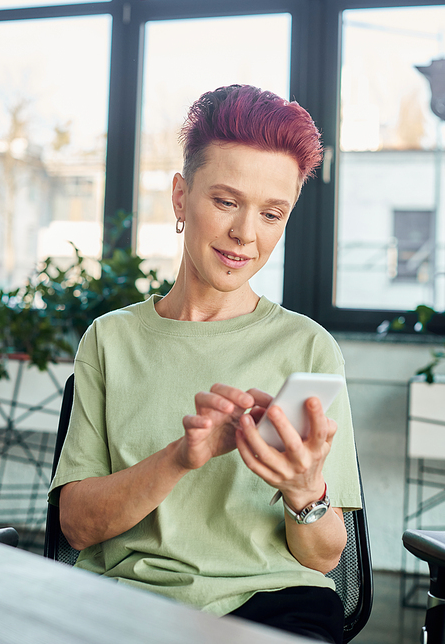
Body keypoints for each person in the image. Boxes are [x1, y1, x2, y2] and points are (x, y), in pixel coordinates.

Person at [48, 84, 361, 643]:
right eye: (225, 202)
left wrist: (305, 491)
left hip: (277, 602)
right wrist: (179, 458)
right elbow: (75, 527)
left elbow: (323, 561)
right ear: (179, 197)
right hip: (134, 604)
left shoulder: (309, 348)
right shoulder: (111, 340)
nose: (247, 234)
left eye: (272, 213)